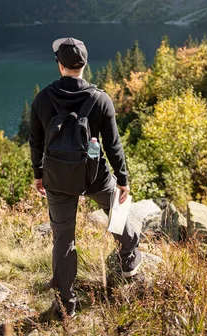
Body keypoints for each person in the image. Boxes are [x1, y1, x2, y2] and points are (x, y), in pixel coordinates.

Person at [29, 37, 141, 318]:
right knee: (114, 210)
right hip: (94, 175)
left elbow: (36, 141)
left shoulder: (43, 98)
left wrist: (38, 174)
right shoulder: (100, 98)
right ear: (84, 64)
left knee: (63, 238)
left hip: (57, 177)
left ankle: (66, 301)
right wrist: (122, 178)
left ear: (59, 65)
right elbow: (113, 144)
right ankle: (128, 256)